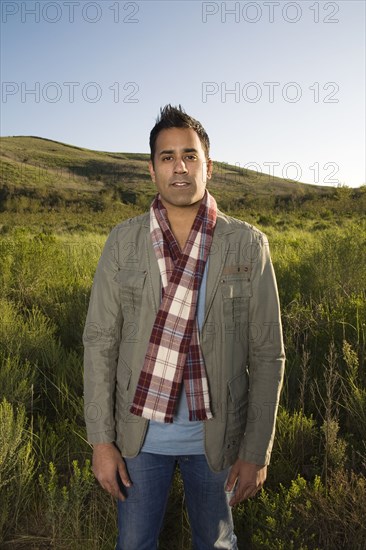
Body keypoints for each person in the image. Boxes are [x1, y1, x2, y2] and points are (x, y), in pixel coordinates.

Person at [83, 105, 285, 549]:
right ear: (151, 169)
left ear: (208, 167)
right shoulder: (124, 242)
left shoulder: (248, 244)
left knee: (215, 543)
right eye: (168, 157)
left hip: (218, 438)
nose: (180, 167)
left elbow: (268, 354)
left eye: (190, 156)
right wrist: (101, 440)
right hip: (138, 435)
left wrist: (256, 451)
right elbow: (99, 342)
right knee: (134, 543)